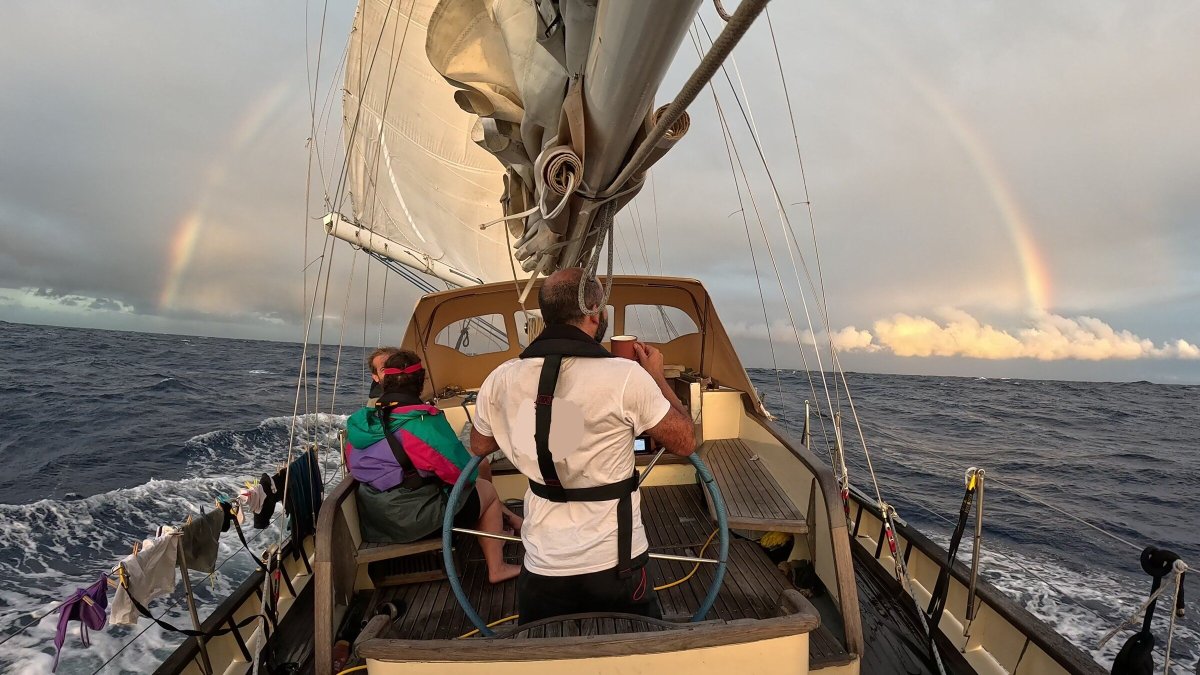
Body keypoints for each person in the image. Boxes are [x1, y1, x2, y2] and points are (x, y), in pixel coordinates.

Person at [470, 268, 695, 623]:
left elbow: (480, 445)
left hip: (543, 563)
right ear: (595, 312)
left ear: (547, 315)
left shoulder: (501, 378)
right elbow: (685, 440)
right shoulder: (626, 377)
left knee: (542, 654)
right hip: (617, 562)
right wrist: (655, 377)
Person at [345, 350, 521, 583]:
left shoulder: (361, 423)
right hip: (411, 520)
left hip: (375, 520)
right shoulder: (422, 423)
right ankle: (497, 568)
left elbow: (358, 468)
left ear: (384, 382)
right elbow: (462, 475)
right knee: (484, 490)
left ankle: (504, 521)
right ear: (421, 382)